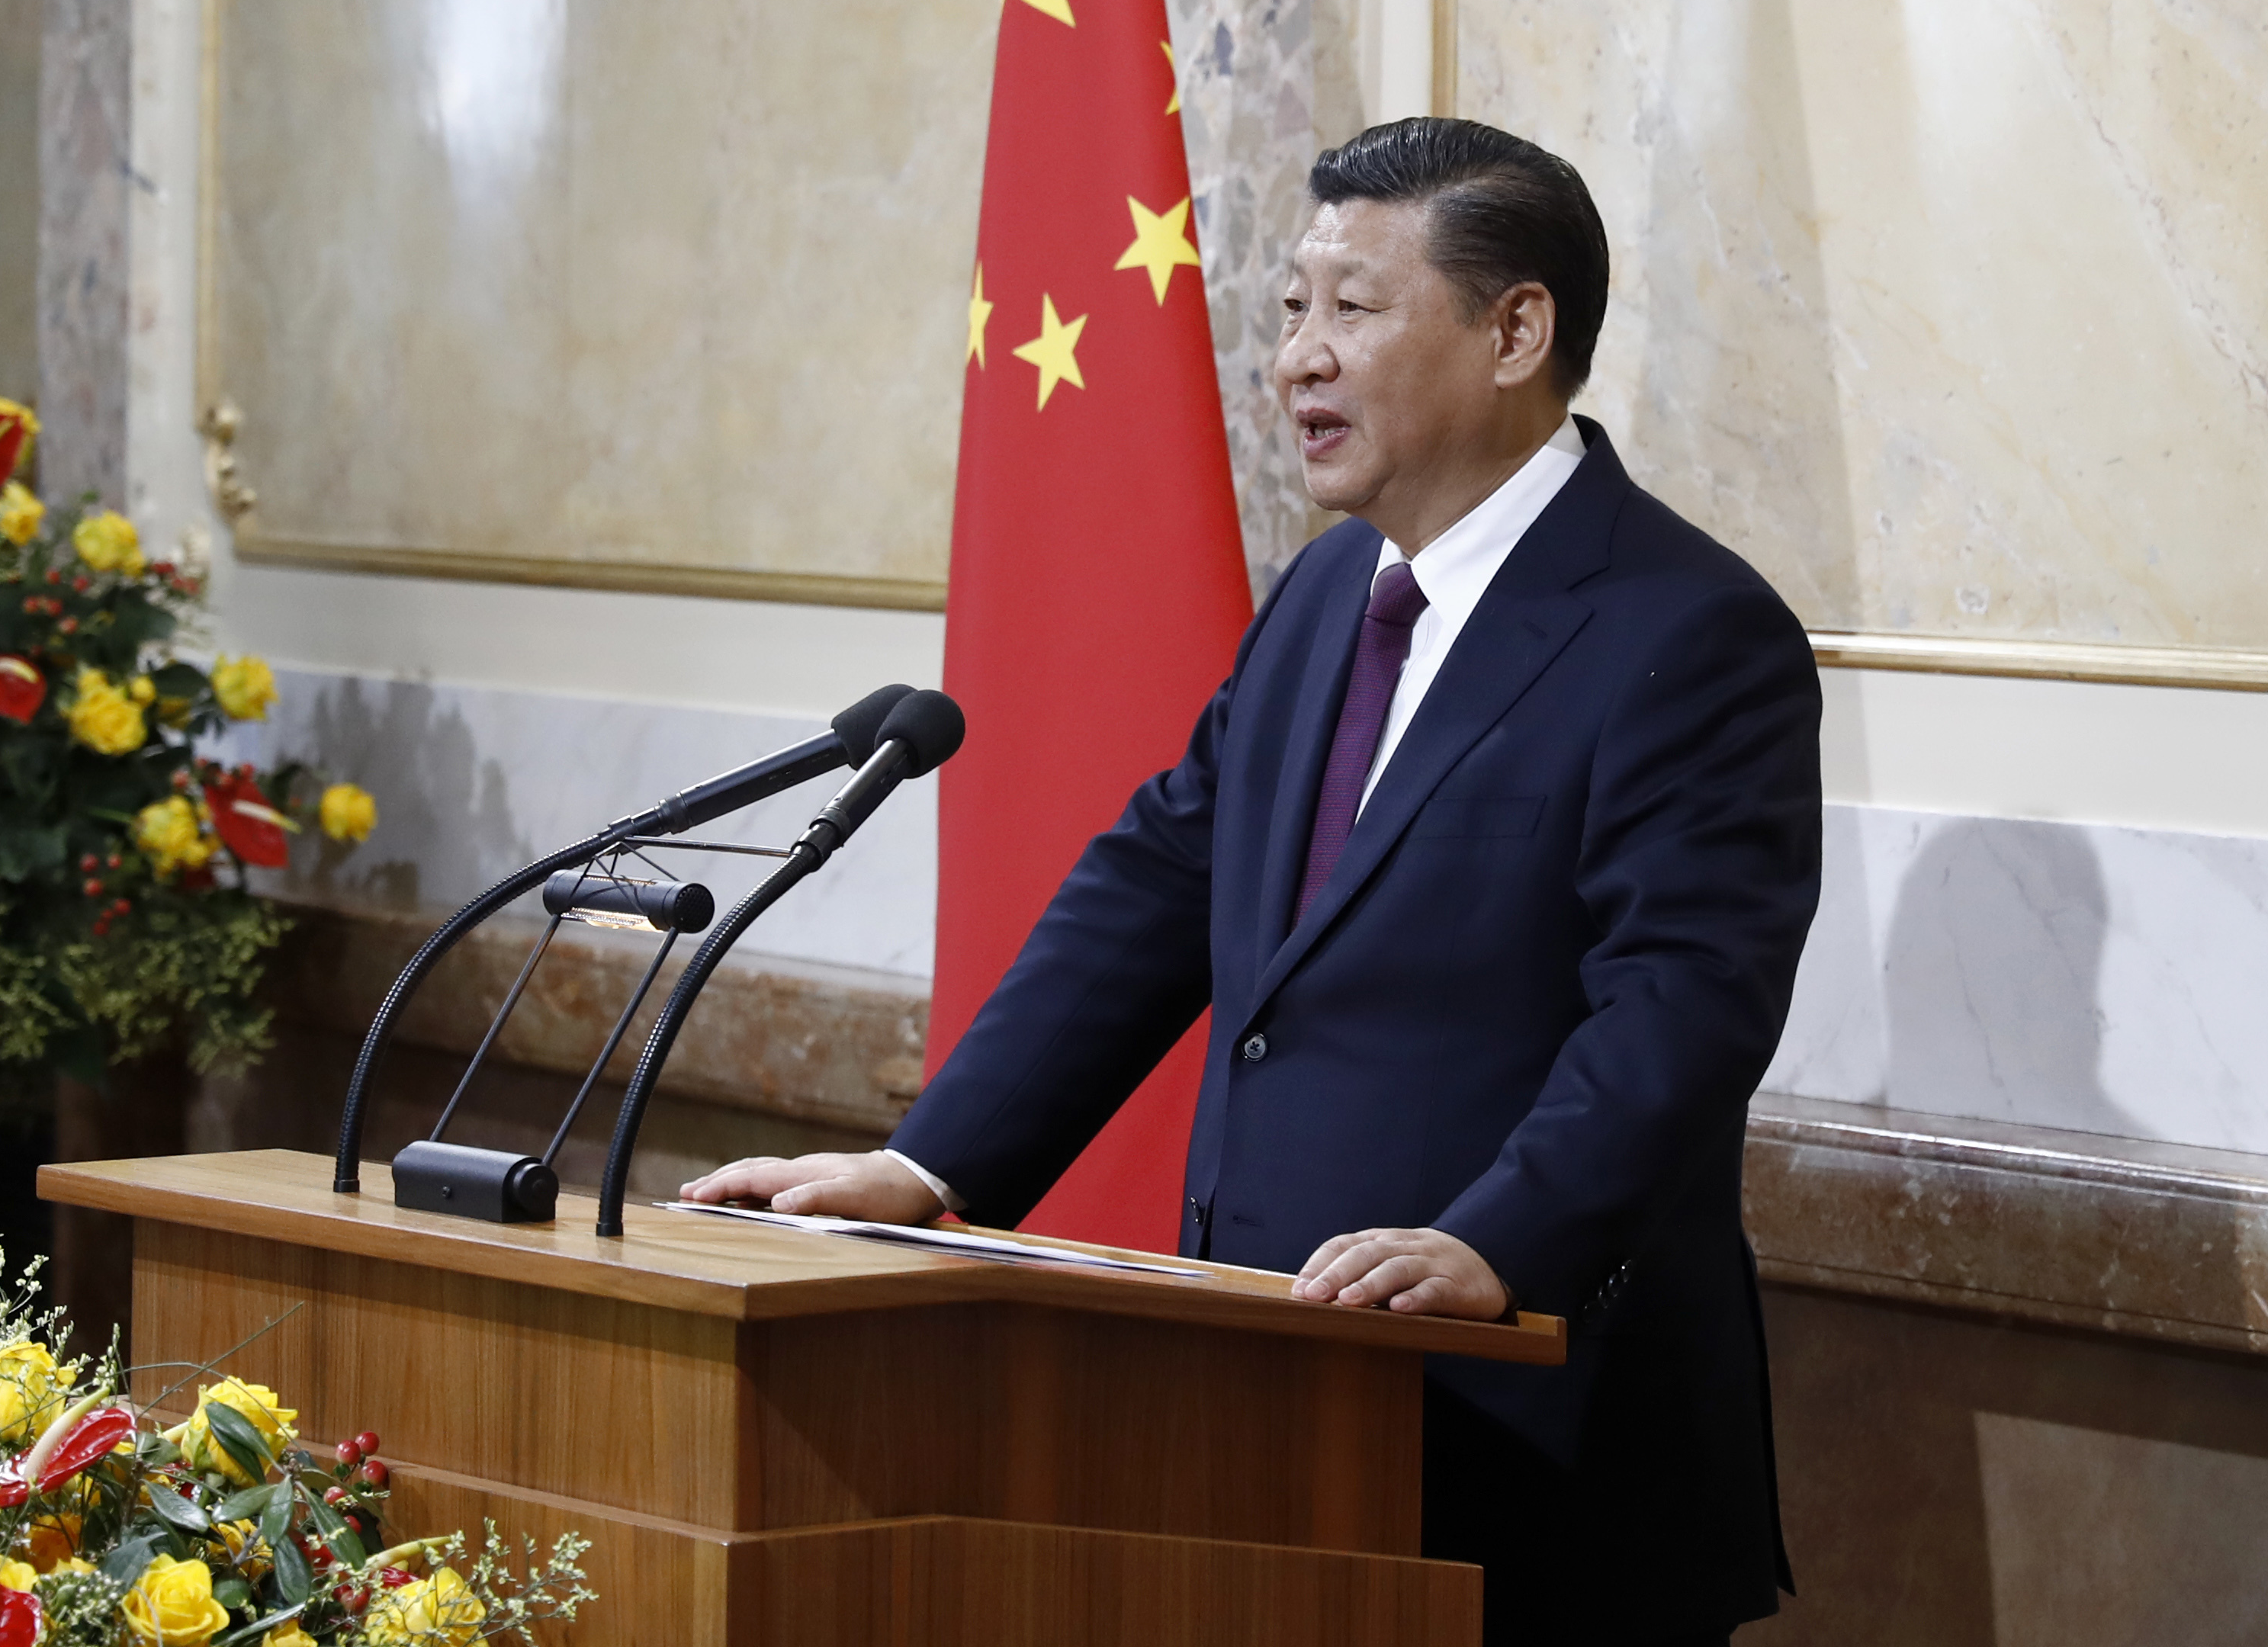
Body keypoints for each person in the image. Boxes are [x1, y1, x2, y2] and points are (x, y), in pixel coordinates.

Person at [683, 116, 1821, 1647]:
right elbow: (1158, 884)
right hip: (1263, 1389)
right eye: (1291, 308)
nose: (1295, 356)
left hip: (1530, 1419)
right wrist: (931, 1169)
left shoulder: (1683, 630)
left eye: (1351, 307)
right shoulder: (1321, 598)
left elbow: (1682, 1004)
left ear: (1514, 329)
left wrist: (1499, 1241)